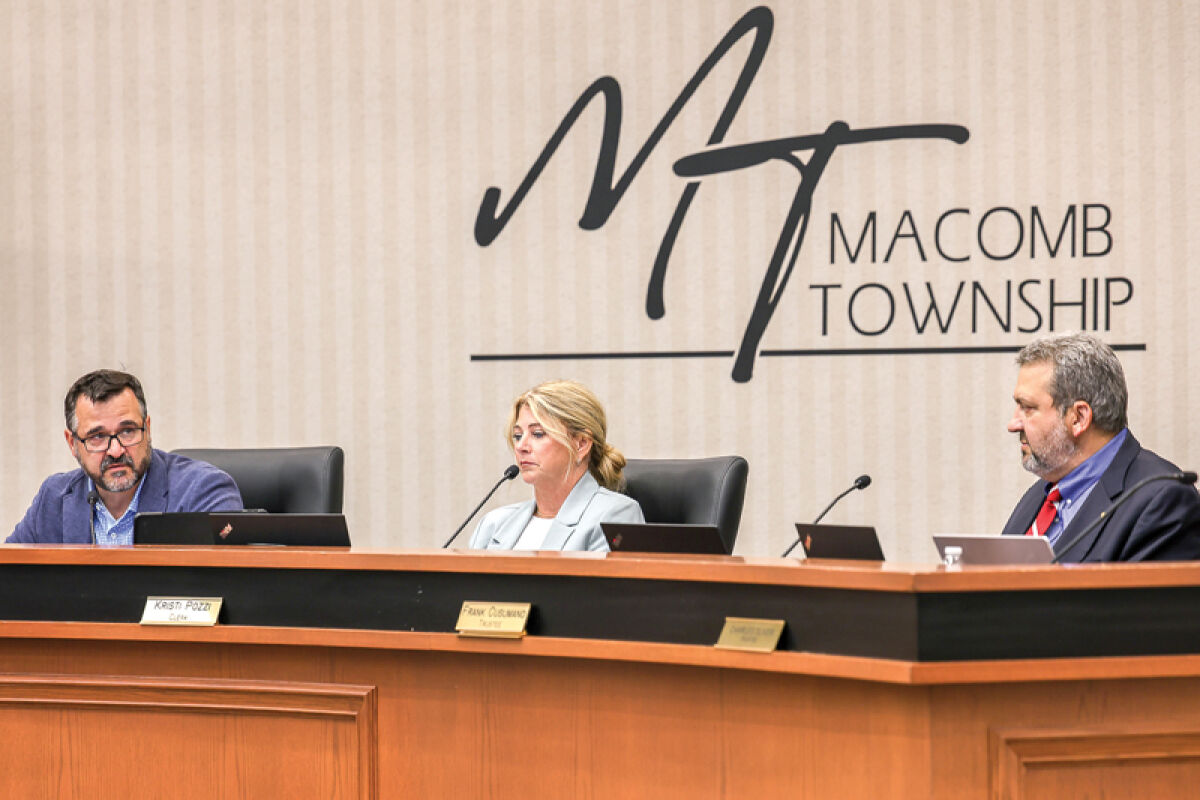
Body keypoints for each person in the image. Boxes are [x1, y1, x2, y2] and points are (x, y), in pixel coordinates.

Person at [1001, 333, 1200, 561]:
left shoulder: (1162, 499)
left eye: (1027, 408)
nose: (1013, 424)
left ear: (1078, 418)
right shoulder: (1042, 495)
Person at [7, 370, 243, 545]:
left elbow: (226, 585)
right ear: (73, 444)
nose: (115, 450)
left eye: (127, 431)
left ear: (147, 429)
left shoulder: (203, 491)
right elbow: (10, 579)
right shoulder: (54, 499)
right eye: (97, 436)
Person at [469, 380, 643, 552]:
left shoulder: (615, 516)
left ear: (581, 444)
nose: (521, 446)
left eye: (538, 434)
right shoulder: (494, 523)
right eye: (517, 436)